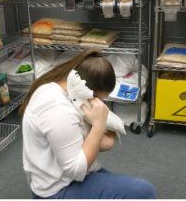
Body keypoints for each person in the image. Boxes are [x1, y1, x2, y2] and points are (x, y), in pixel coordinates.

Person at [19, 50, 156, 199]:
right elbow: (76, 170)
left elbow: (94, 141)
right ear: (89, 91)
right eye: (97, 99)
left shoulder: (60, 88)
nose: (99, 104)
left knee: (131, 190)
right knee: (144, 191)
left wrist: (102, 129)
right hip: (57, 189)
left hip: (71, 174)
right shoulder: (58, 111)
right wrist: (99, 125)